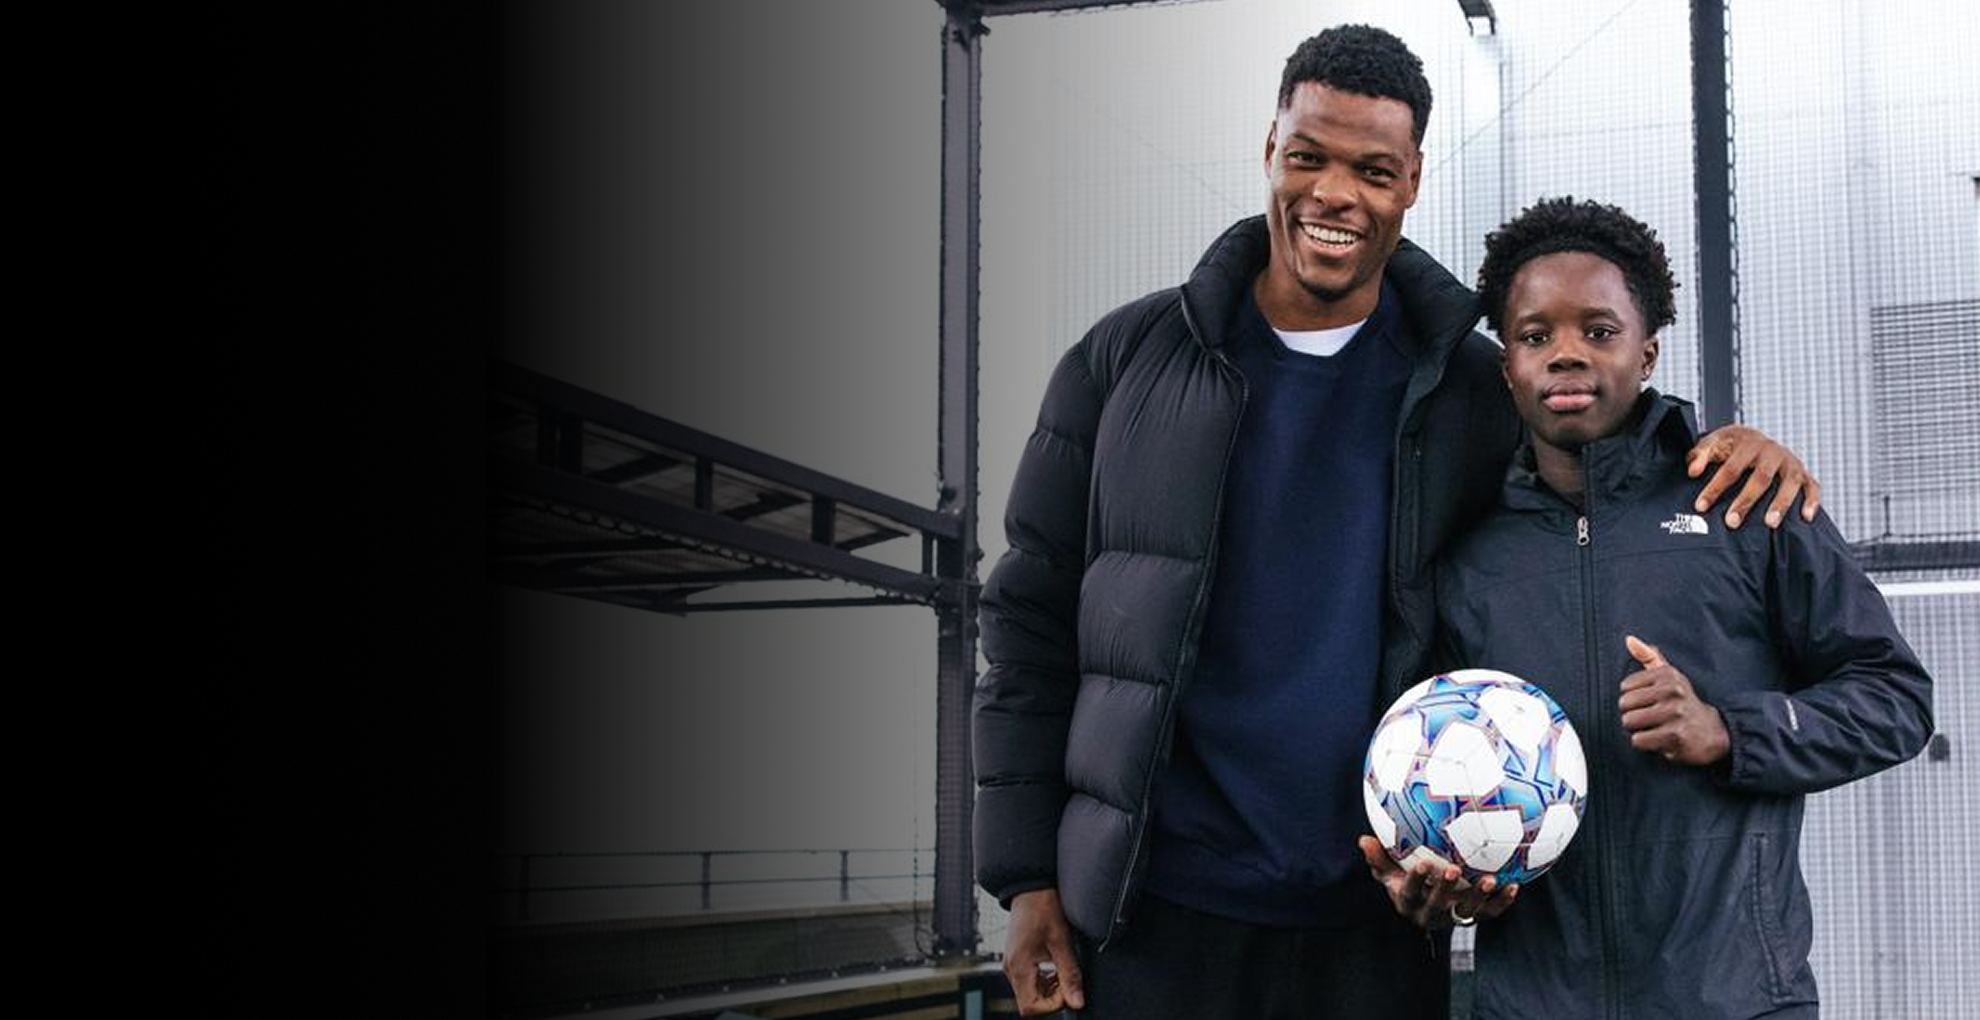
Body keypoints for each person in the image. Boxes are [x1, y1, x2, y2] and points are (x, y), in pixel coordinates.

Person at [972, 24, 1826, 1020]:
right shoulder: (1125, 362)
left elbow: (1600, 452)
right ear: (1270, 151)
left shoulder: (1472, 388)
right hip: (1152, 913)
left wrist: (1718, 444)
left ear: (1412, 180)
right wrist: (1028, 883)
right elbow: (1028, 624)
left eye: (1373, 171)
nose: (1335, 194)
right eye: (1309, 158)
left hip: (1374, 920)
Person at [1358, 196, 1934, 1019]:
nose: (1566, 354)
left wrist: (1730, 731)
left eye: (1599, 331)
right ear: (1506, 367)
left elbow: (1897, 699)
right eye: (1534, 336)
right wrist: (1438, 886)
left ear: (1648, 351)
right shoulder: (1468, 554)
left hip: (1737, 1001)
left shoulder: (1747, 504)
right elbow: (1425, 778)